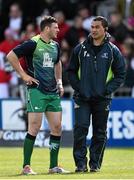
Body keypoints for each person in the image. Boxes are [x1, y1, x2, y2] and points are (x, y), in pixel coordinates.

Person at [7, 16, 69, 175]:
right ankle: (26, 166)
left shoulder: (55, 45)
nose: (58, 30)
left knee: (57, 127)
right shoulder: (33, 43)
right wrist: (24, 76)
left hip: (53, 92)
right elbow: (11, 56)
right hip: (36, 91)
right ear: (47, 28)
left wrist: (60, 82)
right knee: (34, 127)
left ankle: (53, 166)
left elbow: (57, 63)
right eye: (55, 27)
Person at [68, 16, 126, 173]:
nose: (93, 29)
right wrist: (79, 88)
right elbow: (71, 71)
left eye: (97, 27)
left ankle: (95, 164)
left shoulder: (113, 51)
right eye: (92, 27)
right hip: (82, 98)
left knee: (100, 132)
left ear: (105, 29)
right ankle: (80, 164)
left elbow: (121, 74)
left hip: (102, 99)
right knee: (80, 129)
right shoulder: (80, 49)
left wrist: (107, 90)